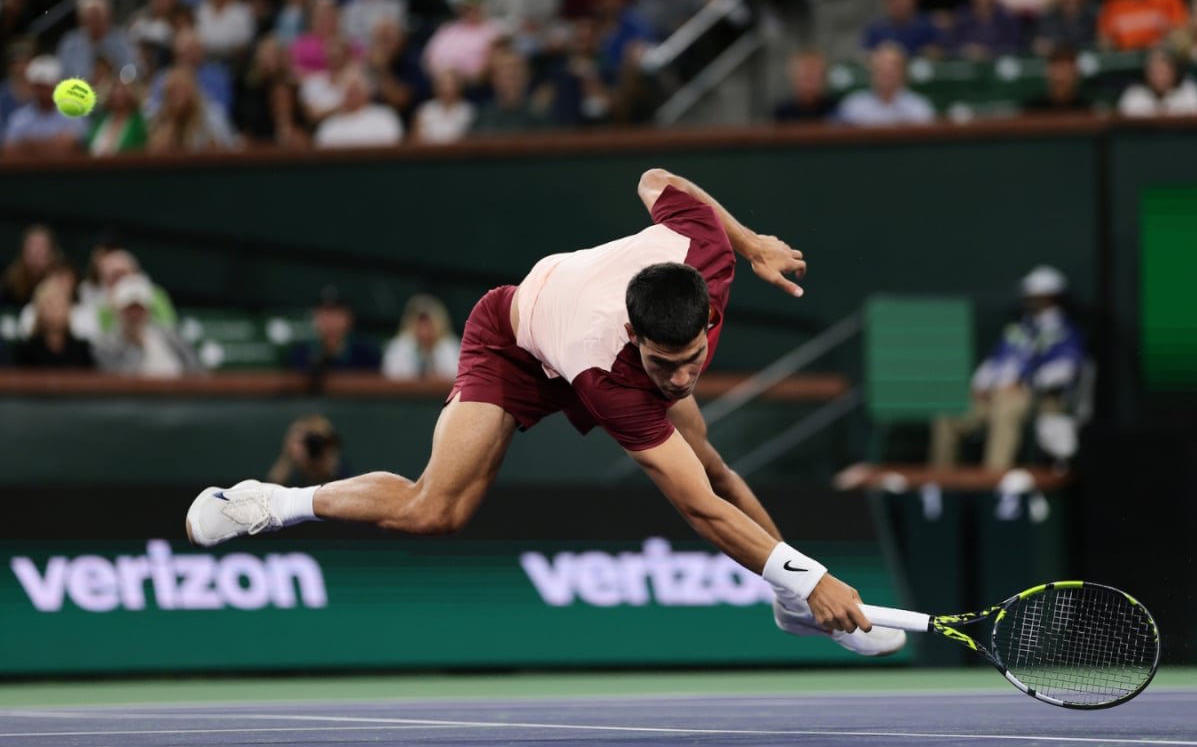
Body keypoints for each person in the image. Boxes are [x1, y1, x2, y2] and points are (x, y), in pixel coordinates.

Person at [186, 169, 907, 657]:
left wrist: (750, 244)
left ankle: (791, 604)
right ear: (634, 339)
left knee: (712, 463)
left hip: (580, 316)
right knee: (437, 509)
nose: (683, 376)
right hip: (516, 338)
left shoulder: (704, 252)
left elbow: (658, 181)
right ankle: (269, 503)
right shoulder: (611, 374)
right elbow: (698, 514)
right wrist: (818, 574)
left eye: (693, 358)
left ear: (706, 310)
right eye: (666, 366)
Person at [930, 265, 1085, 471]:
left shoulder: (1066, 332)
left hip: (1039, 400)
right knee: (949, 411)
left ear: (1050, 296)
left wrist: (1023, 383)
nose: (1029, 299)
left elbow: (1065, 370)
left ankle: (994, 482)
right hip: (996, 395)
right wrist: (980, 384)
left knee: (1006, 409)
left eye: (1035, 295)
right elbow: (994, 361)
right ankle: (940, 484)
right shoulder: (1017, 329)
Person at [93, 273, 204, 377]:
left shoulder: (169, 335)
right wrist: (137, 347)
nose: (134, 315)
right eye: (129, 309)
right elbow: (118, 382)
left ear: (148, 311)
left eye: (140, 309)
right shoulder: (105, 345)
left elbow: (196, 369)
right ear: (117, 311)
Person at [3, 55, 86, 159]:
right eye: (38, 86)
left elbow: (71, 148)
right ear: (32, 86)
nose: (42, 92)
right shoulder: (19, 117)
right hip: (28, 174)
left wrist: (27, 145)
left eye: (46, 86)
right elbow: (9, 151)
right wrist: (53, 144)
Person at [837, 43, 936, 126]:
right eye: (881, 67)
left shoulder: (919, 108)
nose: (887, 72)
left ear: (904, 73)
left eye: (893, 68)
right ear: (872, 73)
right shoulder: (853, 106)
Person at [287, 286, 382, 372]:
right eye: (325, 314)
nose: (330, 322)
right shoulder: (302, 353)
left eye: (336, 314)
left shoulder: (366, 353)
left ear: (349, 317)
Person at [12, 277, 95, 369]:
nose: (53, 312)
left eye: (58, 306)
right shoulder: (26, 350)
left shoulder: (82, 349)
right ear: (39, 310)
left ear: (68, 309)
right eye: (48, 305)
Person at [56, 0, 137, 80]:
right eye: (90, 18)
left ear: (108, 17)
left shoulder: (122, 39)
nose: (94, 23)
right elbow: (63, 75)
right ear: (81, 19)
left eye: (97, 17)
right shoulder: (70, 44)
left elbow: (134, 71)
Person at [862, 0, 942, 57]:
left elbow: (943, 58)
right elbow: (864, 57)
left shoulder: (928, 27)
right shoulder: (876, 30)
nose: (896, 1)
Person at [313, 70, 404, 147]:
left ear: (367, 91)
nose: (352, 93)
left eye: (356, 88)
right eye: (347, 89)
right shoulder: (329, 126)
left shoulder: (385, 117)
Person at [382, 293, 461, 379]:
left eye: (428, 324)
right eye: (420, 324)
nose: (424, 330)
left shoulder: (451, 347)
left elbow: (458, 379)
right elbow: (391, 376)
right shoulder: (398, 347)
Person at [267, 415, 349, 486]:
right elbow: (269, 495)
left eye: (306, 442)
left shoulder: (338, 472)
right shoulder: (291, 474)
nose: (298, 448)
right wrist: (287, 461)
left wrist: (326, 460)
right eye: (295, 441)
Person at [1117, 46, 1197, 116]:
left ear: (1174, 72)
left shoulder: (1188, 93)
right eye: (1155, 72)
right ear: (1147, 73)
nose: (1159, 77)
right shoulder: (1133, 96)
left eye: (1164, 72)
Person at [1, 224, 62, 307]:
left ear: (52, 254)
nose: (35, 257)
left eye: (40, 251)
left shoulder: (62, 284)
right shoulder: (9, 283)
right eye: (31, 251)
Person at [773, 49, 839, 123]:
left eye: (815, 77)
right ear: (794, 77)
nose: (811, 84)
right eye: (806, 77)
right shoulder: (782, 112)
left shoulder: (836, 109)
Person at [1024, 45, 1091, 112]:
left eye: (1066, 73)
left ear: (1076, 76)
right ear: (1048, 75)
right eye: (1055, 73)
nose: (1060, 78)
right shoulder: (1032, 109)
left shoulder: (1088, 109)